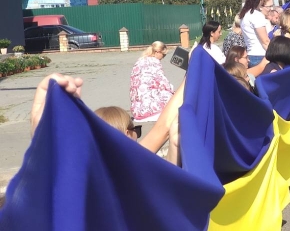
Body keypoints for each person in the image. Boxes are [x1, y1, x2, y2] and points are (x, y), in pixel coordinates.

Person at [32, 73, 181, 165]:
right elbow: (163, 129)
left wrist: (41, 136)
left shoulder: (86, 171)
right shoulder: (134, 164)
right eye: (136, 130)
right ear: (128, 134)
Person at [130, 41, 174, 123]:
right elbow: (161, 81)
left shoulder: (140, 60)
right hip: (149, 104)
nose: (163, 57)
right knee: (171, 98)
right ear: (157, 52)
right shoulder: (154, 62)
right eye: (163, 54)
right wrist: (171, 90)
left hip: (137, 106)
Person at [239, 0, 271, 68]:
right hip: (261, 55)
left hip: (250, 54)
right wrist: (275, 56)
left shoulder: (244, 14)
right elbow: (265, 41)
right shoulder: (256, 15)